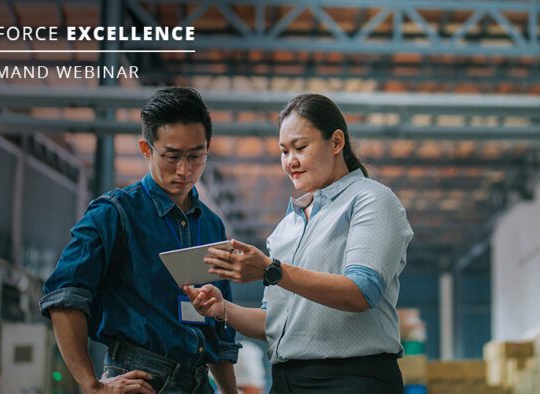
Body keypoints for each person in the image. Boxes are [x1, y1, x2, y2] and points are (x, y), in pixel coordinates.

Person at [184, 93, 413, 394]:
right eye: (283, 151)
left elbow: (361, 292)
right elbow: (273, 323)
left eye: (300, 147)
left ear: (336, 142)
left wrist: (271, 270)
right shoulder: (287, 227)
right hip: (286, 381)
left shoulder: (370, 199)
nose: (290, 161)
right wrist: (223, 309)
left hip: (352, 379)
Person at [39, 87, 239, 394]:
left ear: (208, 147)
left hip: (199, 382)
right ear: (146, 149)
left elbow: (221, 323)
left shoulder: (211, 225)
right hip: (140, 381)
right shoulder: (114, 213)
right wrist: (92, 386)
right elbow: (65, 297)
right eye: (172, 156)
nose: (185, 169)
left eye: (196, 155)